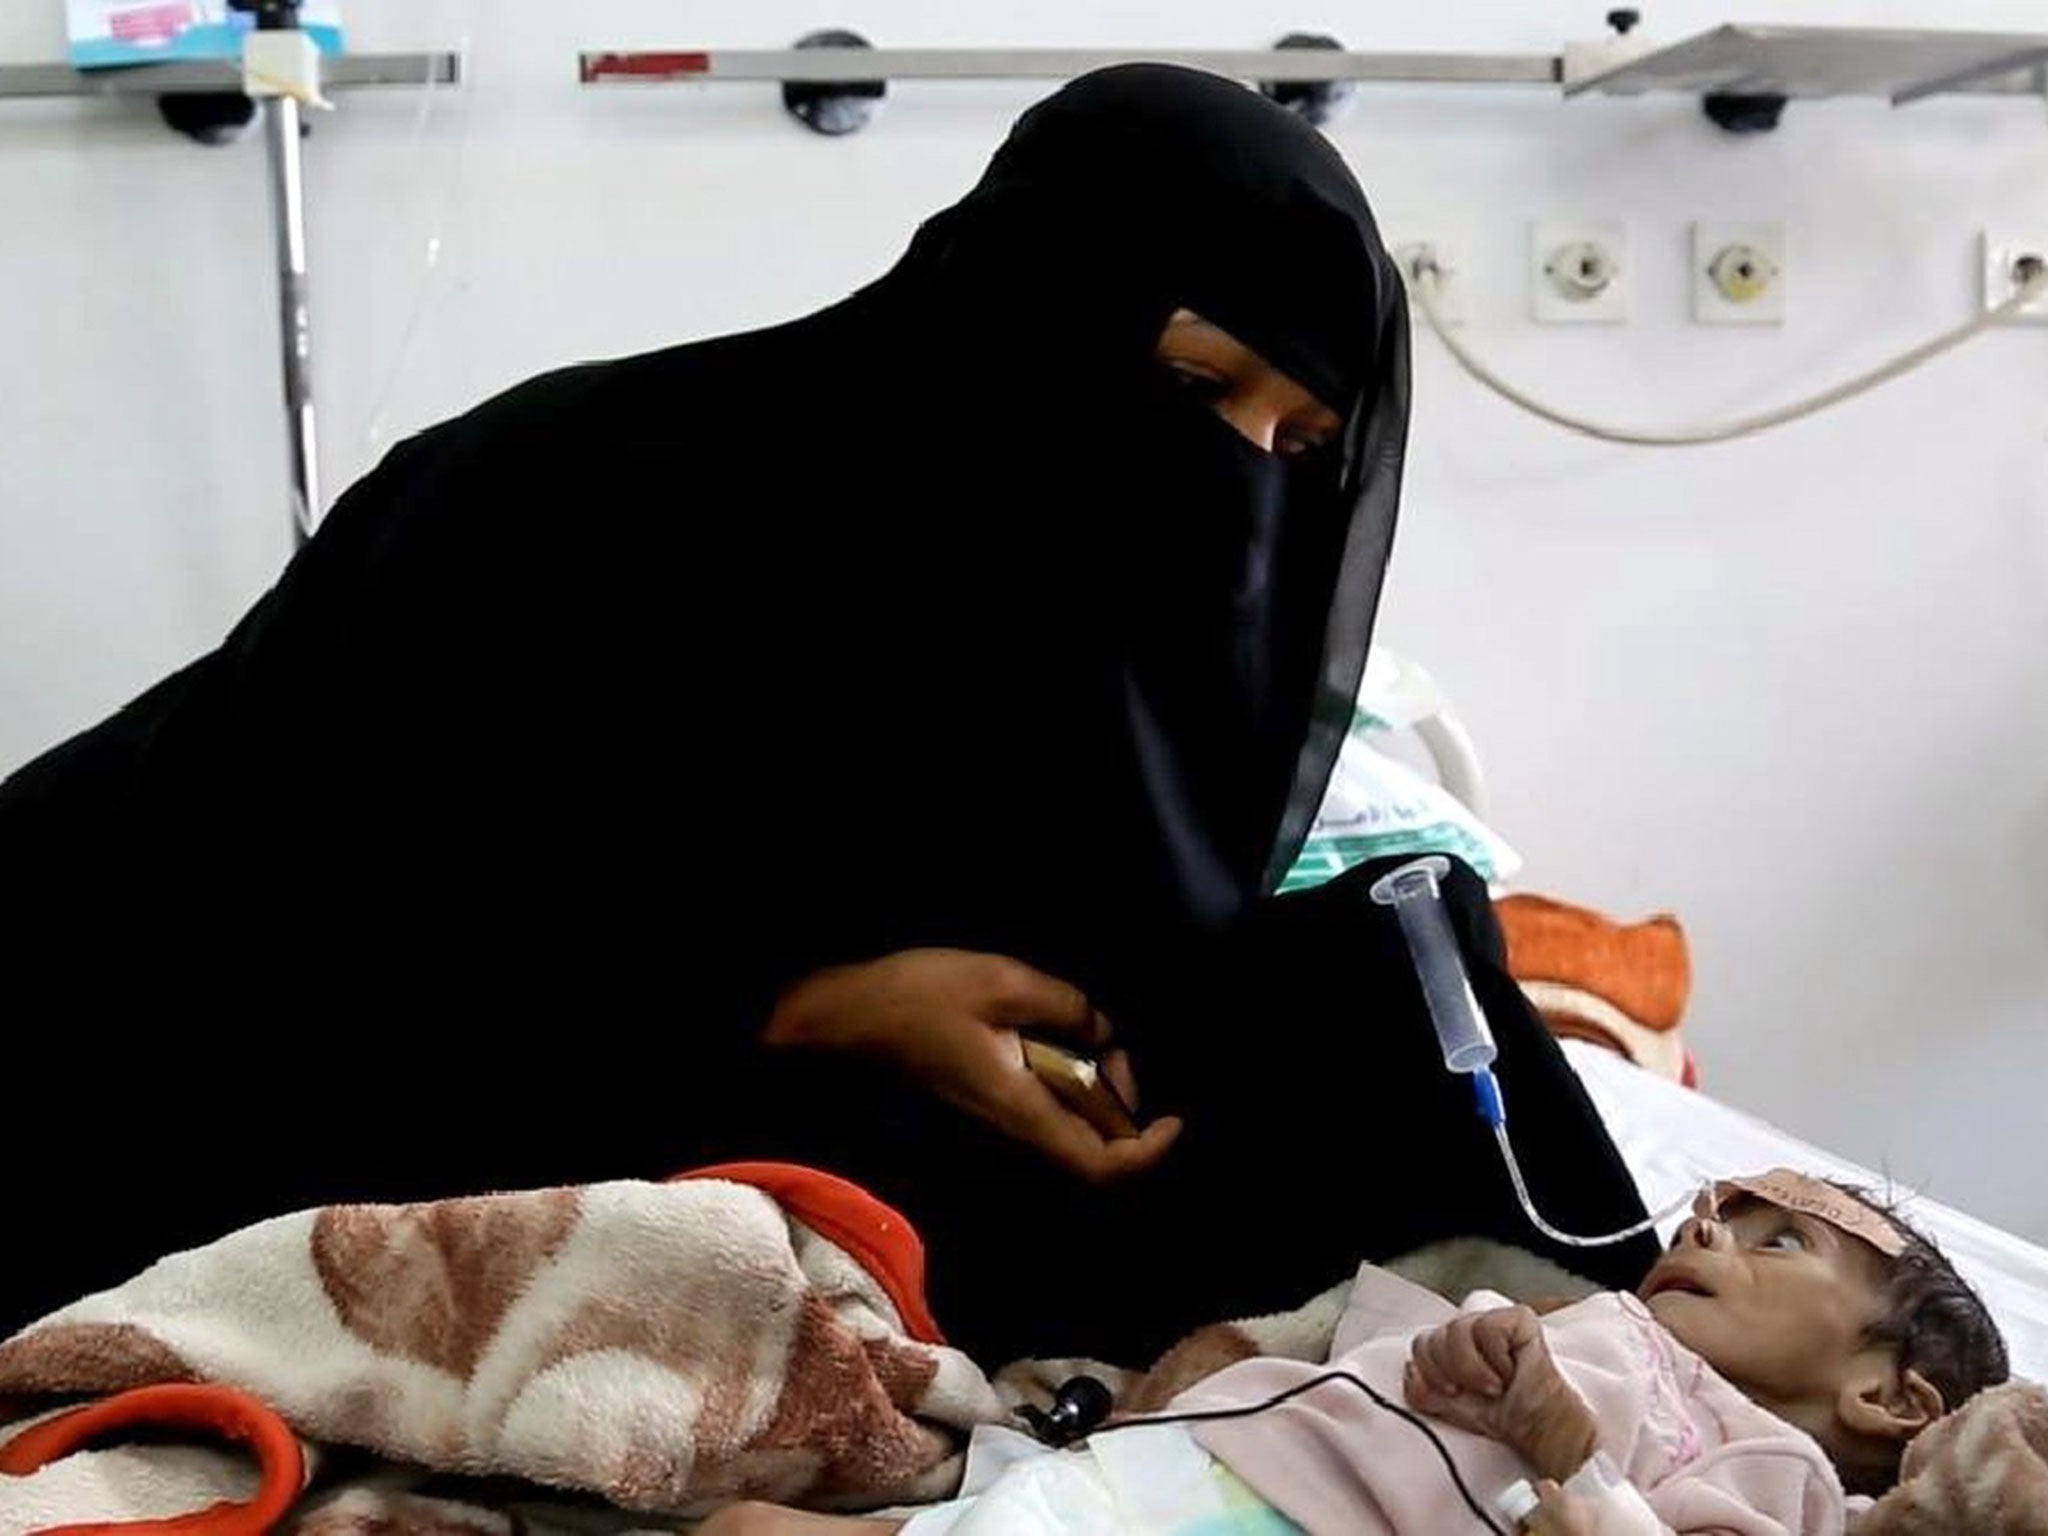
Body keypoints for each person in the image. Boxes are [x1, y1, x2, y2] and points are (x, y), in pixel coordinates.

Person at [0, 66, 1655, 1360]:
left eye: (1300, 450)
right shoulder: (572, 499)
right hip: (109, 1038)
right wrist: (799, 1008)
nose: (1238, 488)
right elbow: (328, 935)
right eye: (1194, 385)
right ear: (1029, 310)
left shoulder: (1133, 643)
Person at [696, 1171, 2011, 1535]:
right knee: (748, 1526)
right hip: (1202, 1465)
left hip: (1283, 1519)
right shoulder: (1594, 1316)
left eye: (1776, 1244)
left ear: (1890, 1395)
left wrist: (1563, 1442)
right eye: (1721, 1211)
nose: (1707, 1229)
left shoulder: (1783, 1478)